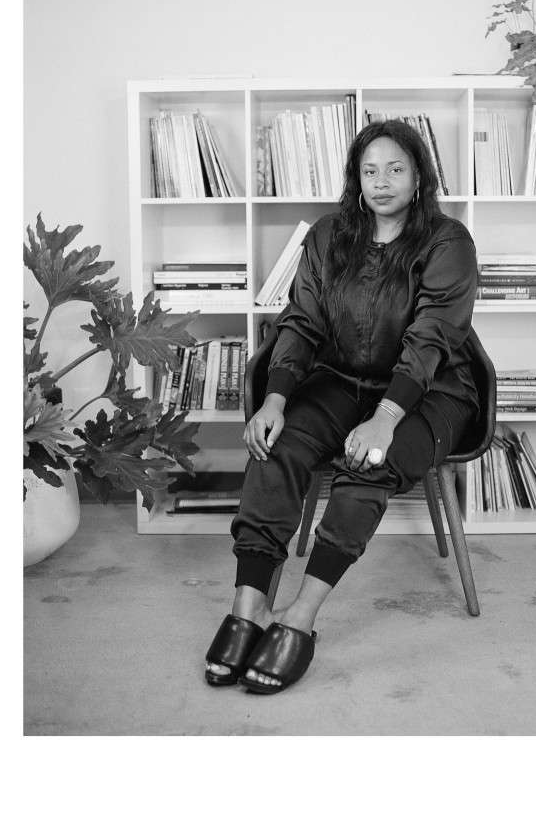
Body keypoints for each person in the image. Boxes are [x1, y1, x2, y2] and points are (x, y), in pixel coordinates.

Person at [204, 119, 481, 693]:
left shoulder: (448, 241)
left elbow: (430, 338)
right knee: (275, 447)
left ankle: (300, 616)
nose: (381, 181)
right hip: (342, 379)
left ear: (419, 176)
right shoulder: (328, 236)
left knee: (368, 466)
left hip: (431, 392)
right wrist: (275, 400)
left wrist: (386, 418)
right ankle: (248, 608)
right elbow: (301, 322)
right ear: (356, 178)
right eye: (369, 170)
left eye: (395, 169)